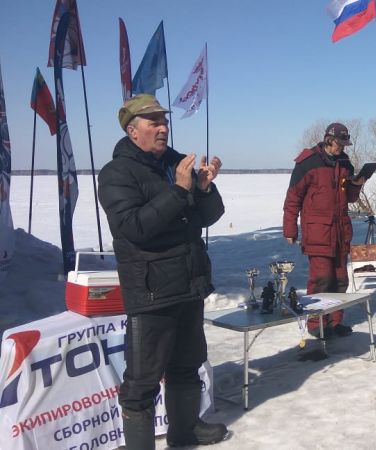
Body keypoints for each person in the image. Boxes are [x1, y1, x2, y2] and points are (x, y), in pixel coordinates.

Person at [98, 94, 228, 449]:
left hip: (188, 282)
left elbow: (208, 217)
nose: (162, 128)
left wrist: (204, 189)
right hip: (152, 291)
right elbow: (135, 228)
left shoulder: (176, 163)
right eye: (153, 122)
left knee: (187, 365)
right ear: (132, 130)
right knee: (142, 382)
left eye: (164, 121)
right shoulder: (116, 173)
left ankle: (184, 431)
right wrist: (178, 191)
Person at [282, 123, 366, 338]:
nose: (342, 148)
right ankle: (315, 324)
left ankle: (335, 322)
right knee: (321, 278)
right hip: (317, 232)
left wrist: (357, 184)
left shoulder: (345, 163)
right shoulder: (308, 163)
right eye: (339, 144)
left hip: (340, 232)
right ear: (329, 140)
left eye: (345, 144)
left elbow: (350, 197)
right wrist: (290, 228)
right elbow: (293, 198)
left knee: (340, 279)